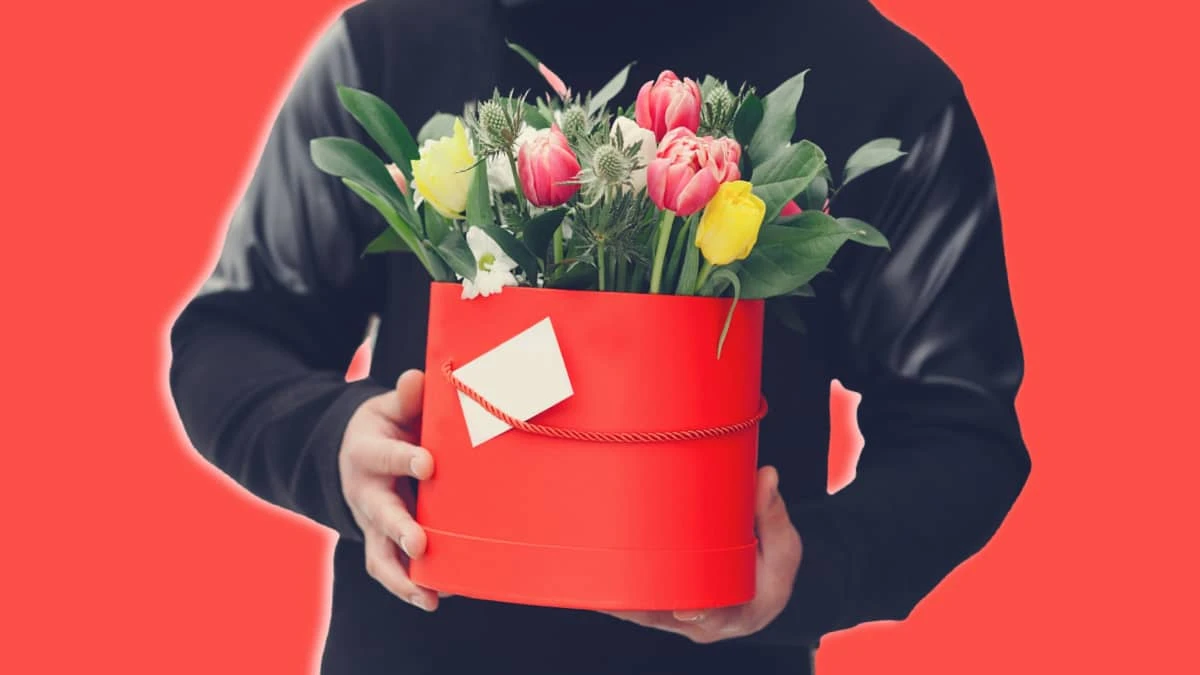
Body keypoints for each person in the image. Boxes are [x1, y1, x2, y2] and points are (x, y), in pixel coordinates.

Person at [168, 0, 1031, 672]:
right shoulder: (386, 47)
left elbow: (961, 432)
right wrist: (335, 446)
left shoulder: (889, 90)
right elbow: (230, 336)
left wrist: (811, 569)